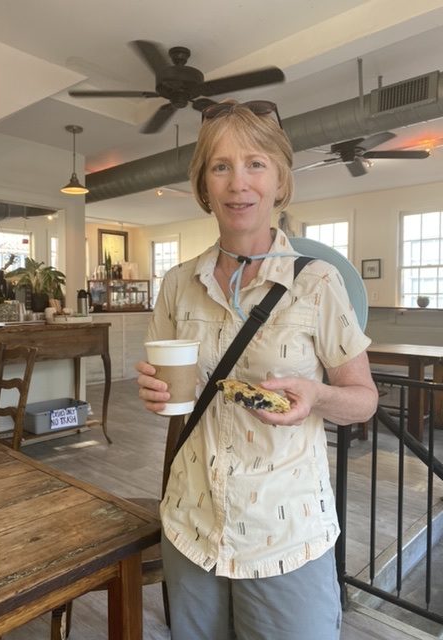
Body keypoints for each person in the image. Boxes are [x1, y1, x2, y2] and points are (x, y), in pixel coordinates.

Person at [136, 100, 378, 640]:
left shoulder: (318, 282)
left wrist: (318, 396)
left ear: (280, 180)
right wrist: (153, 391)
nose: (237, 183)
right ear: (204, 185)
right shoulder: (177, 284)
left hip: (285, 536)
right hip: (190, 526)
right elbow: (167, 384)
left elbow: (363, 398)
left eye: (255, 164)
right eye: (220, 166)